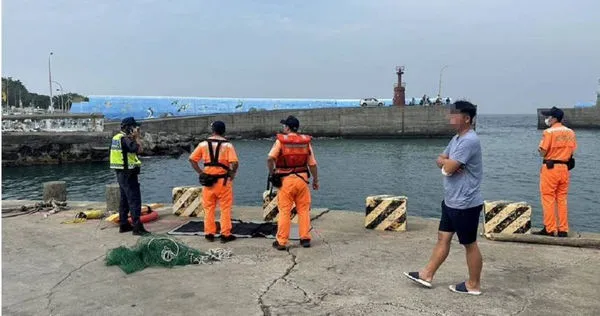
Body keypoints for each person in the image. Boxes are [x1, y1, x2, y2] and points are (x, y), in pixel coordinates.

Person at [404, 101, 484, 295]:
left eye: (455, 114)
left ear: (466, 118)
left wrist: (448, 164)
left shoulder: (469, 140)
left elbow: (447, 168)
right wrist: (448, 163)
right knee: (443, 237)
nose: (450, 116)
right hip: (451, 200)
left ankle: (474, 284)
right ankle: (427, 274)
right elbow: (441, 160)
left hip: (465, 203)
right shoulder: (456, 138)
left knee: (469, 244)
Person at [267, 115, 319, 250]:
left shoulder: (281, 141)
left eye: (284, 125)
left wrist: (272, 174)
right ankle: (305, 239)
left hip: (286, 181)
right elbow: (312, 164)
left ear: (287, 127)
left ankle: (282, 241)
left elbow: (270, 158)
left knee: (284, 211)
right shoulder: (305, 142)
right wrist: (315, 180)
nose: (283, 127)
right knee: (304, 210)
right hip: (302, 180)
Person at [189, 121, 239, 243]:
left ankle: (209, 233)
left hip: (208, 182)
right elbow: (234, 163)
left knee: (209, 208)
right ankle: (225, 234)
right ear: (224, 131)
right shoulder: (228, 146)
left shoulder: (203, 144)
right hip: (223, 182)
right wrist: (232, 174)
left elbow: (192, 160)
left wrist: (201, 173)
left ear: (213, 131)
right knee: (225, 208)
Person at [534, 106, 577, 237]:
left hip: (551, 168)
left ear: (554, 118)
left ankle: (550, 228)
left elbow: (543, 151)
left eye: (548, 117)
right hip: (565, 168)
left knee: (548, 198)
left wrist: (542, 151)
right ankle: (563, 229)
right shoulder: (570, 132)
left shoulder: (549, 132)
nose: (547, 119)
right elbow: (572, 151)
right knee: (562, 199)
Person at [109, 117, 150, 235]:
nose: (136, 129)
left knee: (124, 199)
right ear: (129, 128)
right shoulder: (125, 139)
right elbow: (138, 149)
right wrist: (137, 137)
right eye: (134, 127)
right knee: (134, 200)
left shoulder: (116, 138)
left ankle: (124, 224)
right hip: (128, 173)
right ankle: (137, 227)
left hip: (120, 172)